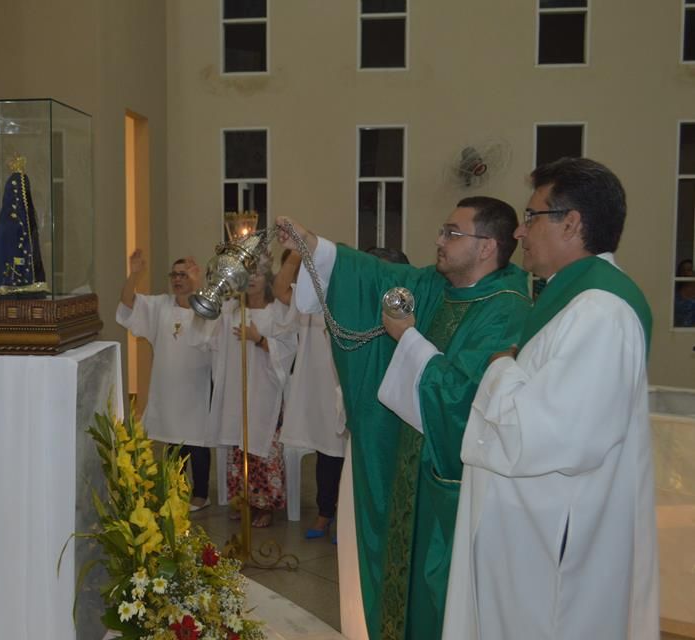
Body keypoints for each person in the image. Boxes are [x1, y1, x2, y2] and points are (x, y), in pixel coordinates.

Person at [276, 196, 530, 640]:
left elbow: (462, 402)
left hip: (455, 490)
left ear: (487, 246)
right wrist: (314, 245)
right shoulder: (435, 286)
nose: (439, 240)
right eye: (442, 230)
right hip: (410, 473)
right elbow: (374, 276)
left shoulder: (506, 309)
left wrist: (408, 337)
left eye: (452, 233)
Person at [443, 158, 658, 640]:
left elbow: (548, 436)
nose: (520, 232)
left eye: (532, 216)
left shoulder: (601, 312)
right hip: (529, 541)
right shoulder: (570, 302)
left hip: (551, 558)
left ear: (573, 224)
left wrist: (499, 367)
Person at [195, 254, 297, 528]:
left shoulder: (277, 312)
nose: (252, 279)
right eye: (248, 274)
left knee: (263, 447)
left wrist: (259, 339)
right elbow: (210, 340)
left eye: (259, 273)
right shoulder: (232, 310)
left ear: (267, 279)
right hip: (237, 390)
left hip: (265, 391)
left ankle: (265, 506)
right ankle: (244, 501)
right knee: (238, 445)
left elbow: (288, 348)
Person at [116, 249, 213, 511]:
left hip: (196, 387)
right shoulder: (159, 306)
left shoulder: (205, 306)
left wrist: (199, 286)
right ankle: (175, 490)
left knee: (197, 442)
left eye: (184, 274)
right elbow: (127, 305)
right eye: (175, 274)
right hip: (167, 389)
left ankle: (201, 494)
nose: (178, 279)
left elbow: (212, 334)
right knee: (173, 441)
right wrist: (134, 275)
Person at [273, 249, 349, 540]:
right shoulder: (308, 302)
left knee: (347, 455)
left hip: (344, 385)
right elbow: (279, 289)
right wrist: (293, 256)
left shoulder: (349, 299)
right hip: (318, 388)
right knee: (326, 451)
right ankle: (324, 514)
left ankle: (346, 517)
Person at [674, 258, 695, 327]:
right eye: (683, 270)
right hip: (678, 331)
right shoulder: (674, 294)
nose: (686, 273)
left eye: (689, 270)